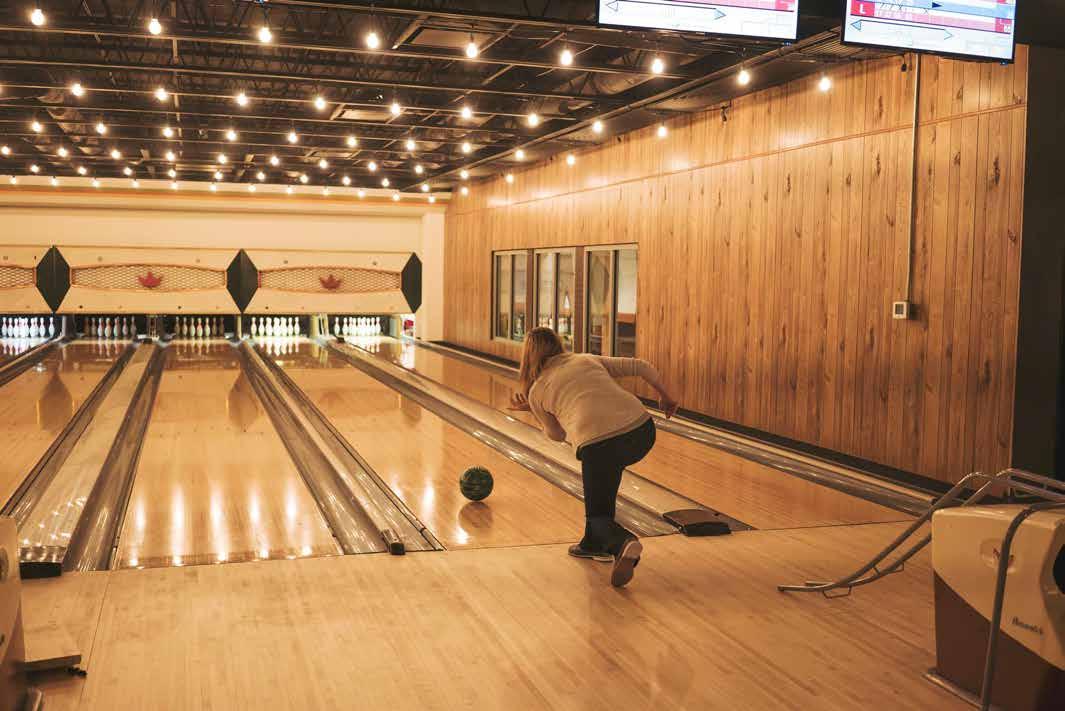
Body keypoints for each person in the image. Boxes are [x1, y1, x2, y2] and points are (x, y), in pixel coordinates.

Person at [509, 327, 679, 588]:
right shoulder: (585, 359)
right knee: (606, 475)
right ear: (558, 345)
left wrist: (537, 412)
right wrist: (667, 397)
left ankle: (622, 542)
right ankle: (591, 544)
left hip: (598, 443)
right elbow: (641, 366)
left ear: (527, 357)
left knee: (600, 513)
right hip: (642, 430)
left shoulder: (536, 392)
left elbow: (556, 435)